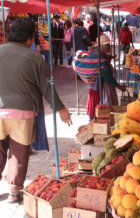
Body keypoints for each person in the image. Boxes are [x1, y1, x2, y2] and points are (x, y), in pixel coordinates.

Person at [0, 18, 72, 203]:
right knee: (19, 151)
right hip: (22, 113)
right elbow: (47, 86)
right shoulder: (34, 58)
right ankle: (14, 191)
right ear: (31, 38)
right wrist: (61, 109)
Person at [86, 35, 126, 119]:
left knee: (96, 115)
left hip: (93, 88)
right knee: (98, 115)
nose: (110, 47)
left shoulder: (97, 55)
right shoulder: (103, 62)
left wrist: (110, 58)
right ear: (102, 47)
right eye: (108, 45)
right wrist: (119, 86)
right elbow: (108, 78)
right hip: (99, 91)